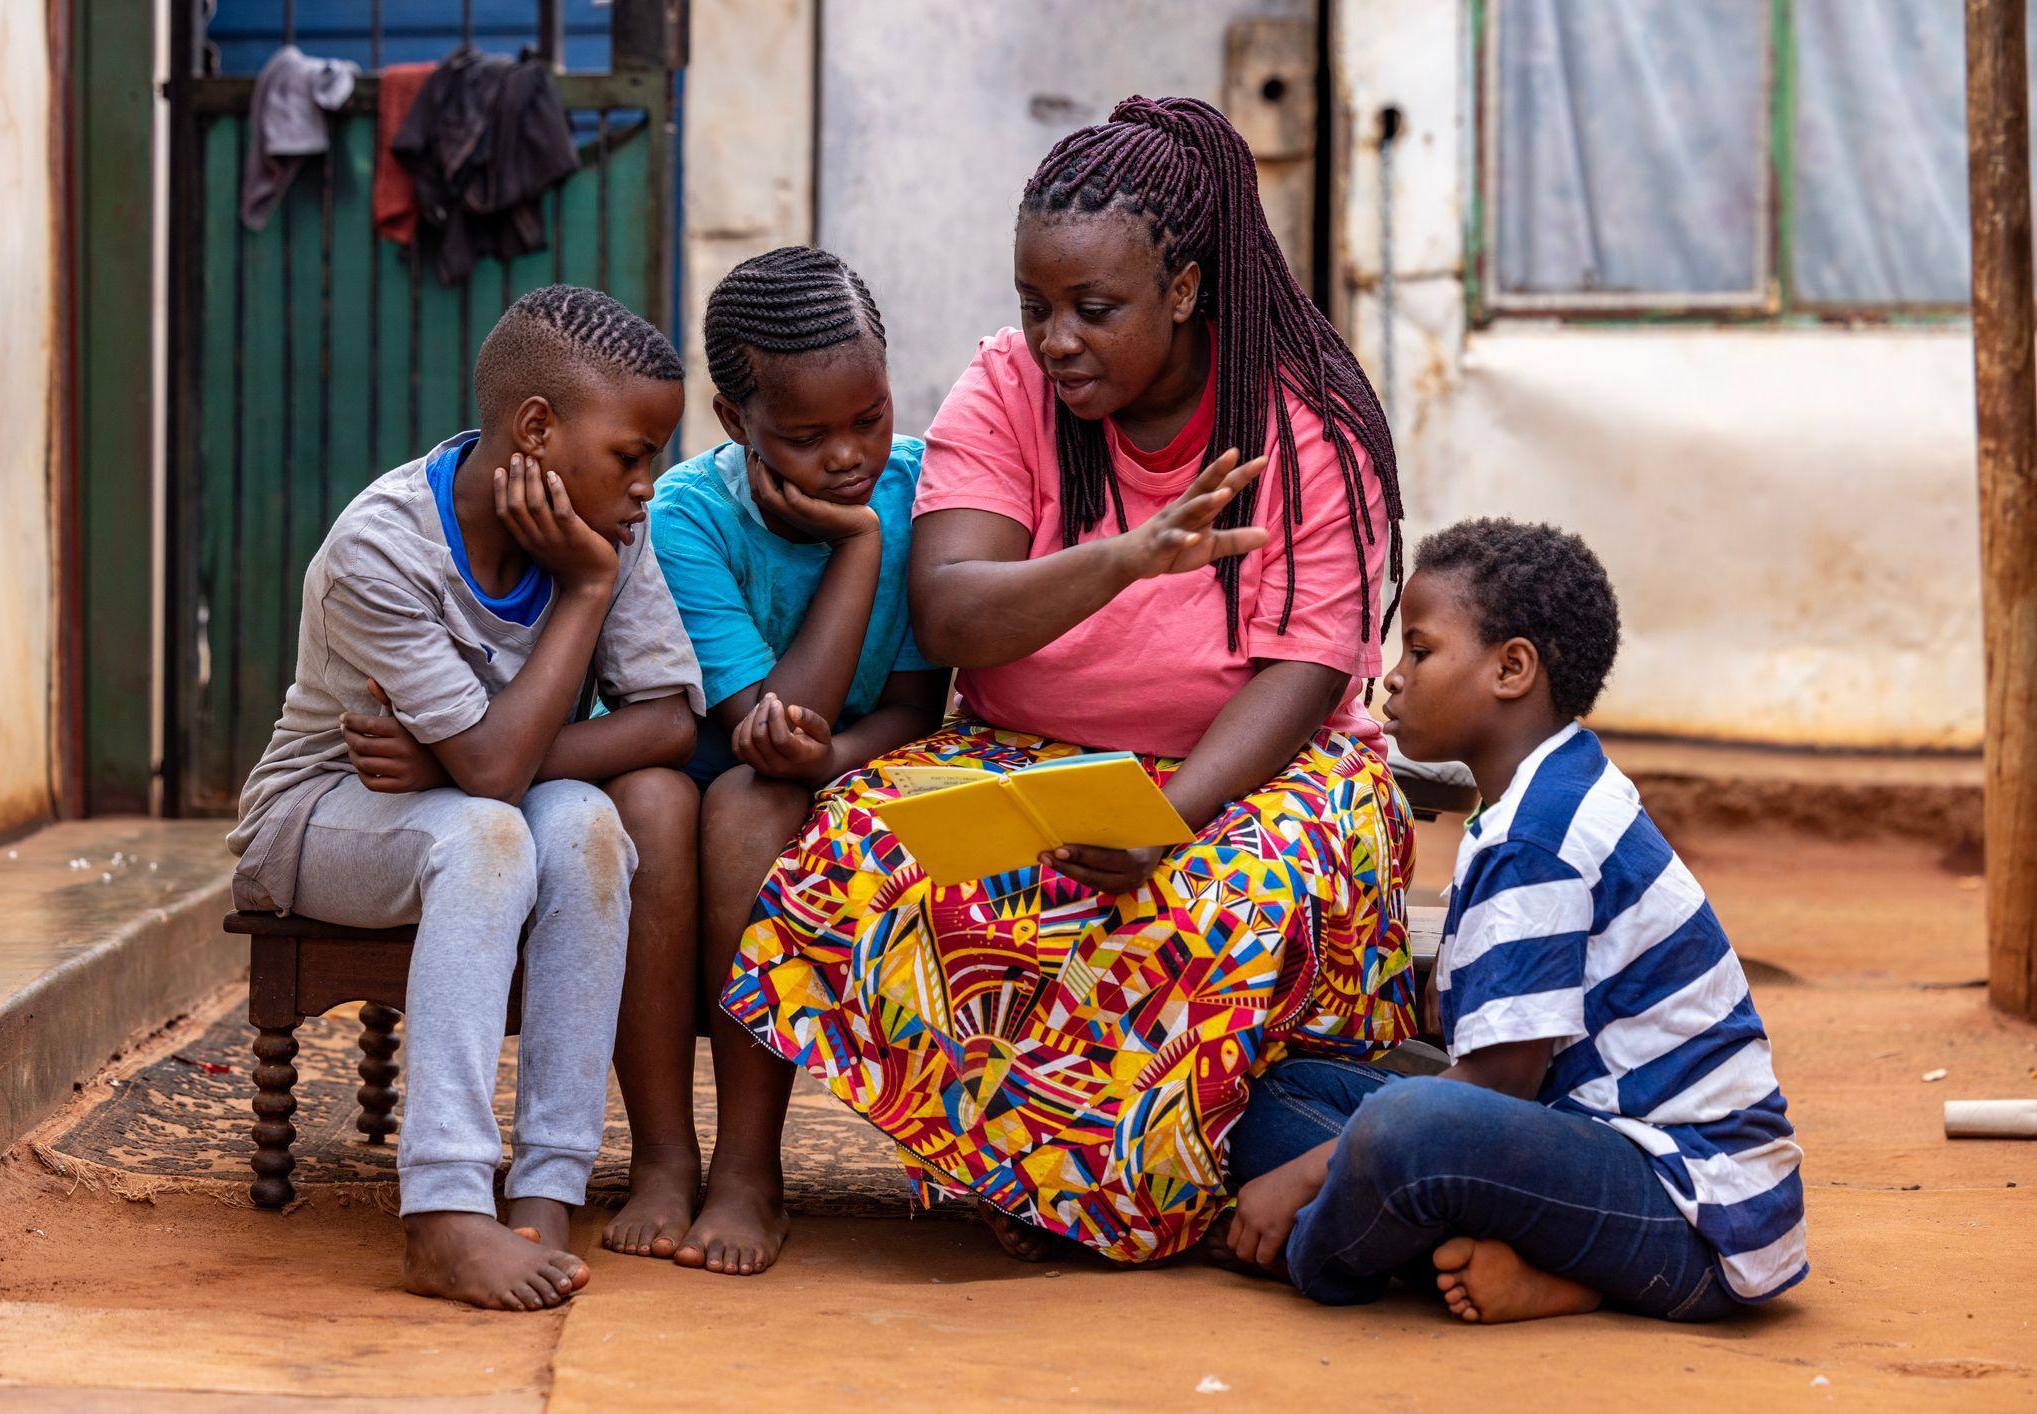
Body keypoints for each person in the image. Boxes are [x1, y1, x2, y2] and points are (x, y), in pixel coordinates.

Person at [720, 96, 1415, 1265]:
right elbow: (951, 609)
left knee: (1203, 910)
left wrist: (1169, 814)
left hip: (1259, 774)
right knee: (860, 849)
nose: (1055, 339)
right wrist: (1124, 560)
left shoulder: (1307, 420)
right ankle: (1027, 1179)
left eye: (1093, 309)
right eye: (1033, 306)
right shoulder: (1004, 390)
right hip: (1026, 761)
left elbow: (1304, 669)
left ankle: (1110, 1200)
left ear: (1183, 291)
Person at [226, 285, 706, 1310]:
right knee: (490, 832)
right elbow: (491, 777)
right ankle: (442, 1210)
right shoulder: (383, 547)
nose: (645, 486)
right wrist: (578, 597)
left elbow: (668, 717)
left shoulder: (607, 529)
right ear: (536, 428)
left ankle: (544, 1187)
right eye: (631, 454)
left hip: (455, 795)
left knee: (583, 824)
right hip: (321, 810)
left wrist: (459, 759)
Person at [1220, 518, 1808, 1323]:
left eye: (1420, 652)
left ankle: (1320, 1251)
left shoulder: (1542, 835)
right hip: (1582, 1147)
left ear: (1512, 668)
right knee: (1283, 1092)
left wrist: (1300, 1179)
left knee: (1404, 1126)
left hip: (1692, 1213)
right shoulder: (1535, 799)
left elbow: (1497, 1083)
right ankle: (1484, 1257)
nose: (1392, 679)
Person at [614, 246, 948, 1275]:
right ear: (732, 422)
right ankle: (663, 1153)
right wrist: (854, 547)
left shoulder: (925, 488)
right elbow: (760, 717)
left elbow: (908, 707)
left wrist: (830, 753)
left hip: (837, 773)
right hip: (706, 755)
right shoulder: (688, 516)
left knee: (754, 814)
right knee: (653, 809)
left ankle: (750, 1165)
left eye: (868, 419)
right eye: (804, 438)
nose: (848, 457)